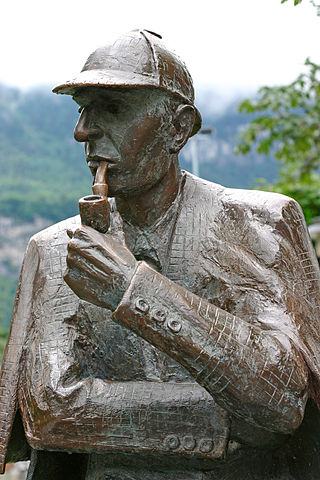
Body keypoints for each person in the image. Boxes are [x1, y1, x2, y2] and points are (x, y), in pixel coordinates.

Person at [0, 29, 320, 480]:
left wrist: (133, 290)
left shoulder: (258, 226)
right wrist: (224, 418)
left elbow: (282, 397)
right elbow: (51, 410)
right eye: (82, 110)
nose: (82, 131)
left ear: (178, 127)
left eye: (112, 109)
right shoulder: (57, 250)